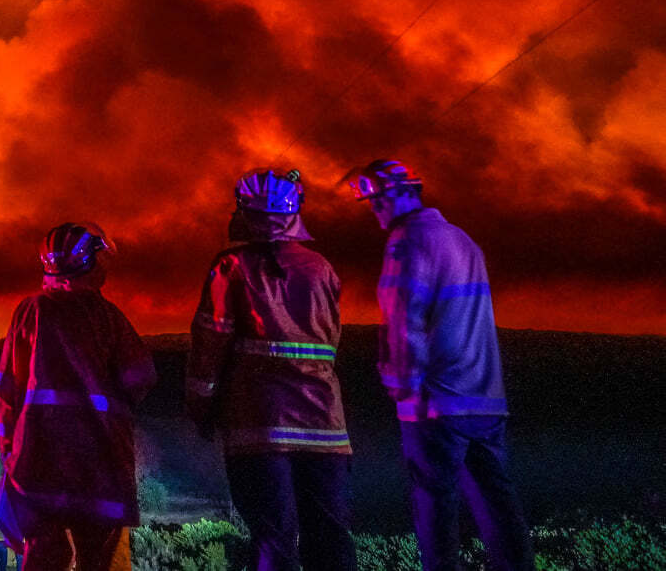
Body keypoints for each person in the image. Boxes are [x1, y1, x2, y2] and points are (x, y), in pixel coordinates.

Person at [347, 159, 533, 571]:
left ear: (396, 195)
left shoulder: (406, 240)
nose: (373, 211)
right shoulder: (464, 241)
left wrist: (399, 384)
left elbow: (403, 317)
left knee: (435, 512)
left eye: (375, 202)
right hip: (485, 400)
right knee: (498, 508)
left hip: (434, 404)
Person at [186, 168, 358, 571]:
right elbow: (330, 341)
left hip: (259, 426)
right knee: (330, 536)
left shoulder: (231, 267)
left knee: (273, 538)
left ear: (245, 212)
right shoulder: (321, 268)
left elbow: (210, 342)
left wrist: (200, 407)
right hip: (325, 428)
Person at [0, 222, 156, 571]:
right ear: (90, 263)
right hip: (100, 465)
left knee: (43, 557)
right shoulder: (108, 317)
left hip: (38, 464)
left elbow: (6, 390)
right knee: (100, 561)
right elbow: (140, 379)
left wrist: (10, 451)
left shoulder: (30, 312)